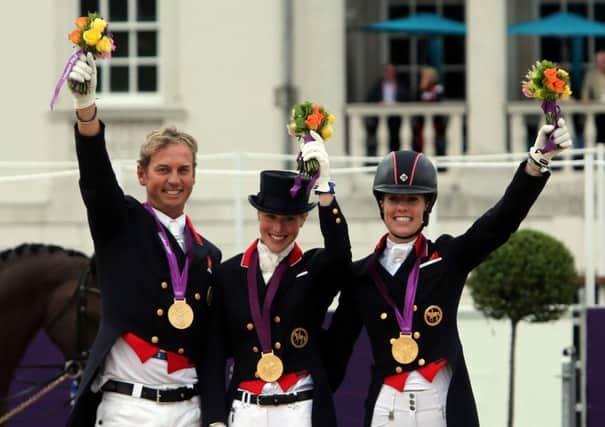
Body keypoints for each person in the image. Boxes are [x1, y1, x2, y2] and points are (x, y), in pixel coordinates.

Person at [324, 120, 572, 426]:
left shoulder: (447, 258)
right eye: (394, 198)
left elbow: (499, 223)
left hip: (439, 403)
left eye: (412, 199)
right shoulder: (360, 276)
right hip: (387, 407)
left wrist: (537, 162)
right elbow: (336, 352)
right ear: (381, 203)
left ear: (426, 205)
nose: (402, 208)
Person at [65, 53, 226, 427]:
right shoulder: (120, 223)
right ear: (141, 174)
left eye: (183, 170)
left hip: (189, 409)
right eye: (163, 169)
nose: (174, 179)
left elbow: (211, 348)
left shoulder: (208, 254)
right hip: (128, 408)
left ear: (194, 176)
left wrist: (216, 418)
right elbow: (96, 179)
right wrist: (86, 110)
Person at [211, 133, 351, 427]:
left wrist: (325, 189)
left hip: (299, 410)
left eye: (289, 219)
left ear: (303, 219)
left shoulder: (313, 268)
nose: (278, 228)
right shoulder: (228, 274)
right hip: (245, 409)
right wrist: (214, 418)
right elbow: (212, 352)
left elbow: (340, 255)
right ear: (259, 214)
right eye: (270, 217)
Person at [365, 64, 409, 159]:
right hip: (380, 117)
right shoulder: (378, 85)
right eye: (388, 72)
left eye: (391, 72)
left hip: (396, 117)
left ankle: (396, 158)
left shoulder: (401, 85)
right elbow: (370, 98)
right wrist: (378, 103)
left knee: (396, 136)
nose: (390, 74)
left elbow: (408, 99)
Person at [411, 66, 447, 158]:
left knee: (437, 143)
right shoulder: (420, 89)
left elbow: (439, 99)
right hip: (422, 123)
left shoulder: (438, 87)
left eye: (426, 76)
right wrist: (422, 88)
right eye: (423, 76)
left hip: (436, 123)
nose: (424, 78)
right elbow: (415, 102)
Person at [581, 50, 605, 144]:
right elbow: (585, 90)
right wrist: (585, 98)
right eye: (599, 62)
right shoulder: (591, 75)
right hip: (598, 111)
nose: (602, 64)